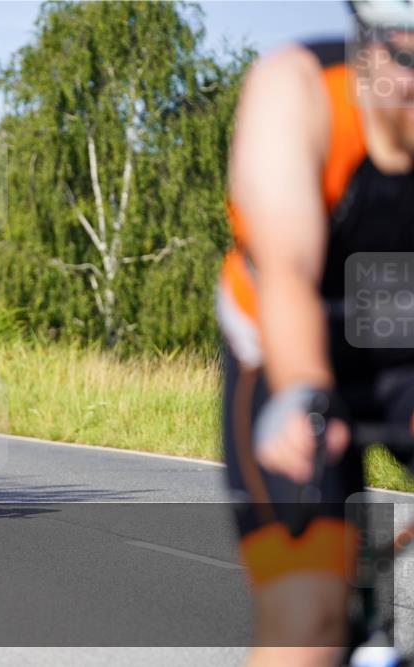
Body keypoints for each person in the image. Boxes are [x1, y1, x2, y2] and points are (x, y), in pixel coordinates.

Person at [215, 2, 414, 665]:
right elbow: (288, 274)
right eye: (407, 57)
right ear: (365, 47)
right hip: (282, 339)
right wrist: (304, 392)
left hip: (400, 342)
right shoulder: (297, 90)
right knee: (308, 614)